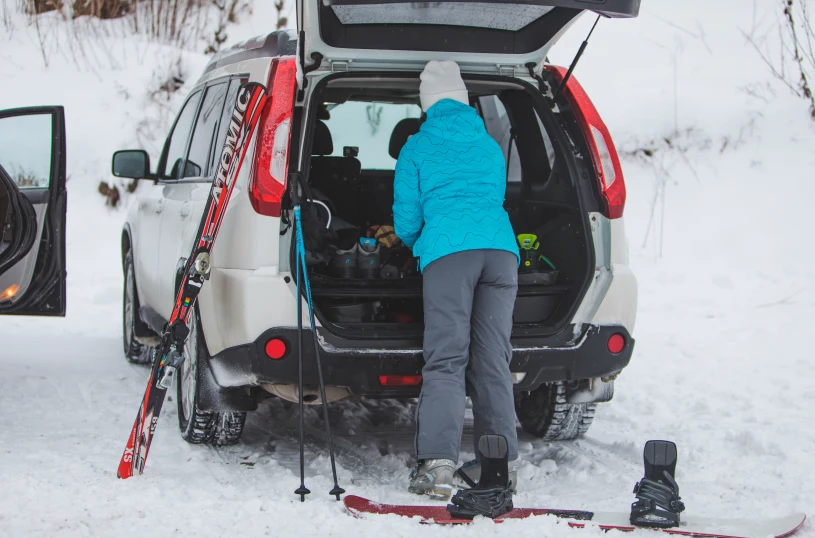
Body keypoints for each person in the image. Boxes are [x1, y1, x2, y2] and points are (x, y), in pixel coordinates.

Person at [393, 60, 521, 500]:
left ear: (426, 103)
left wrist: (417, 244)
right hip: (502, 254)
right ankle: (499, 464)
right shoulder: (488, 143)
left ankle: (437, 467)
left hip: (450, 253)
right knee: (492, 360)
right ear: (464, 99)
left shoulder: (417, 146)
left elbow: (407, 218)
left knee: (447, 358)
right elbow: (496, 197)